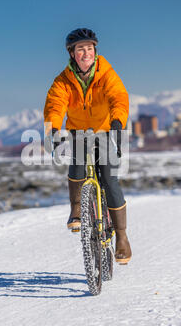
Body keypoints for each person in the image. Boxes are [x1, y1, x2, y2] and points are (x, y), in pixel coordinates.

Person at [44, 28, 132, 264]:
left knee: (110, 180)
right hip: (79, 132)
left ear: (95, 51)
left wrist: (117, 120)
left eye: (89, 48)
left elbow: (119, 97)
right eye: (80, 49)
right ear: (72, 54)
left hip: (104, 131)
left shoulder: (107, 74)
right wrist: (53, 128)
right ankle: (77, 210)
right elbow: (55, 104)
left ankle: (122, 238)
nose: (86, 53)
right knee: (77, 164)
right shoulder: (63, 80)